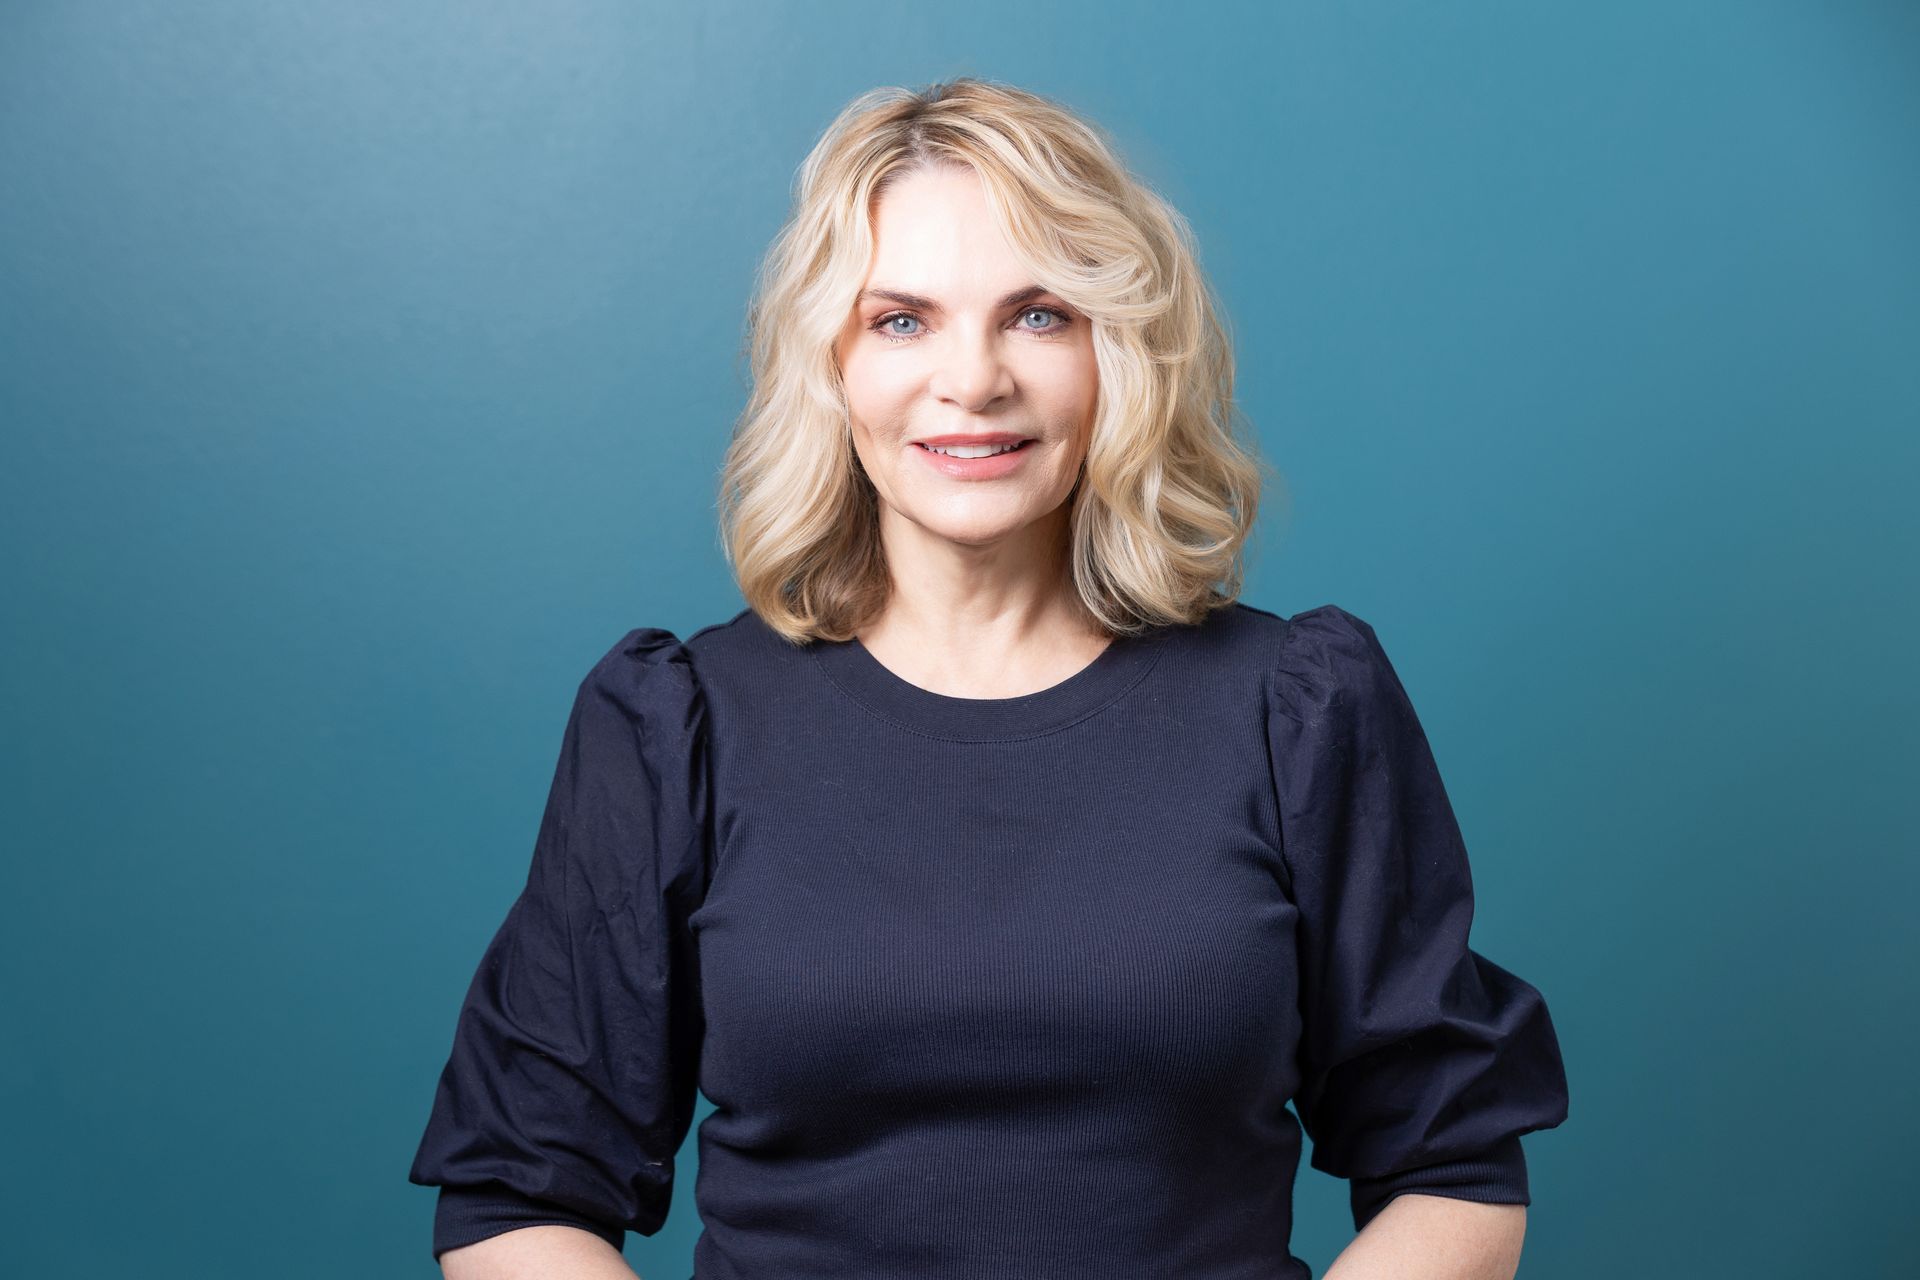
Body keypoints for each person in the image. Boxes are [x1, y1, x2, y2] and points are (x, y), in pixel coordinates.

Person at [407, 77, 1569, 1280]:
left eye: (1040, 314)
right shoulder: (677, 727)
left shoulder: (1299, 708)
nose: (974, 379)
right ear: (830, 365)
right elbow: (514, 1195)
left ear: (1121, 349)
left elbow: (1455, 1168)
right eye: (902, 319)